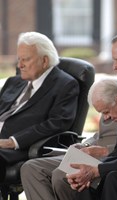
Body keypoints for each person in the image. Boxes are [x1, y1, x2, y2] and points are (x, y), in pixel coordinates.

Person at [20, 30, 117, 200]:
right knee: (31, 168)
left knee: (63, 176)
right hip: (97, 151)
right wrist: (87, 145)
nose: (114, 66)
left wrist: (104, 152)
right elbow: (105, 132)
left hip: (114, 156)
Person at [0, 32, 79, 181]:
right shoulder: (13, 82)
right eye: (19, 59)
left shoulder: (65, 85)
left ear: (44, 61)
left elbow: (57, 124)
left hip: (20, 147)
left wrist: (13, 141)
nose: (19, 65)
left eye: (26, 59)